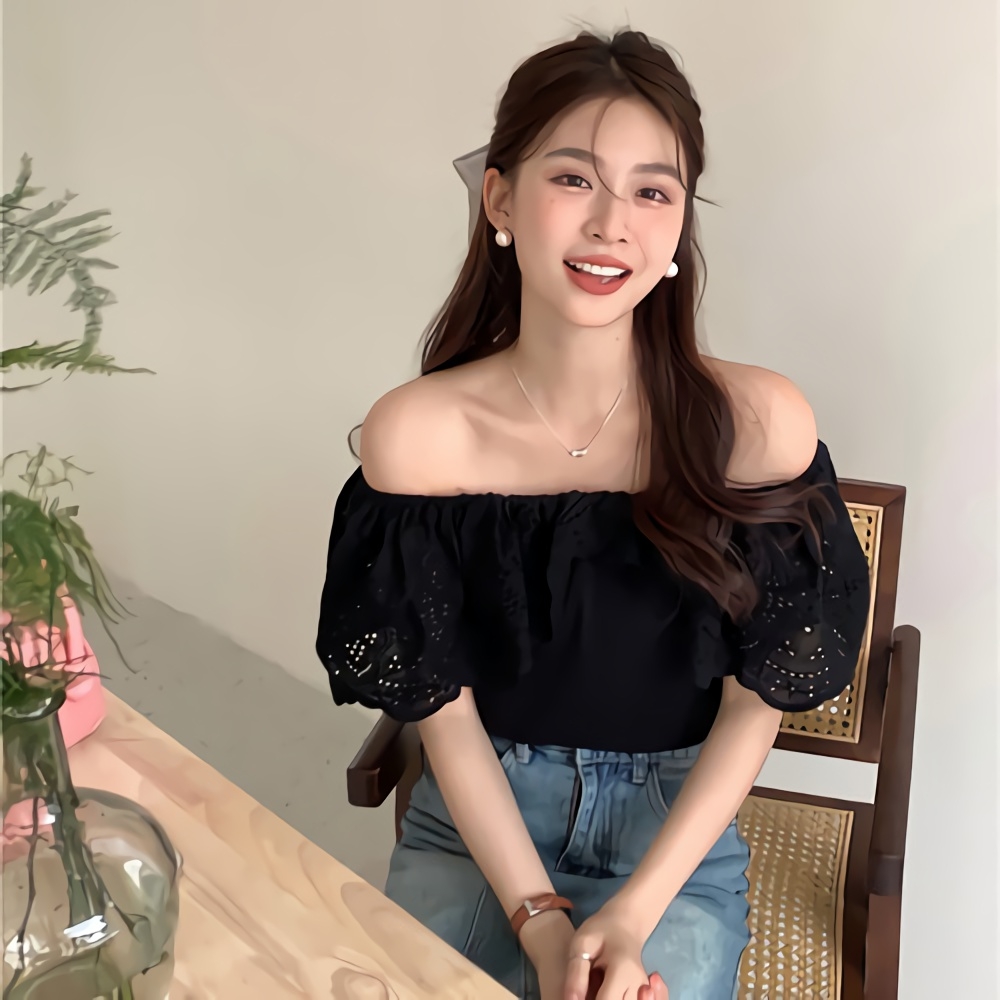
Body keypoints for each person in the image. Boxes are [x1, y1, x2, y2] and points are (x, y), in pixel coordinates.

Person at [316, 28, 871, 1000]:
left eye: (652, 192)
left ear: (679, 226)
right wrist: (538, 920)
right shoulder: (419, 436)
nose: (612, 224)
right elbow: (440, 708)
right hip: (479, 829)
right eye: (573, 178)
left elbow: (758, 698)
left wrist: (633, 912)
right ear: (499, 199)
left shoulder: (757, 426)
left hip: (675, 837)